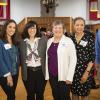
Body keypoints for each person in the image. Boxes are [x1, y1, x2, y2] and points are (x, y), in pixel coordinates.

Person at [45, 20, 77, 100]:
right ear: (52, 29)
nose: (57, 30)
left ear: (63, 30)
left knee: (65, 97)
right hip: (52, 75)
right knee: (56, 95)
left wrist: (70, 77)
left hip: (64, 75)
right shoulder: (49, 41)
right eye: (55, 27)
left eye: (60, 28)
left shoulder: (68, 41)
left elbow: (73, 60)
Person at [19, 20, 47, 100]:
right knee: (30, 95)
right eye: (30, 28)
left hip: (41, 72)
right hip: (28, 72)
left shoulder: (43, 40)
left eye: (34, 28)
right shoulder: (22, 42)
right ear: (26, 29)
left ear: (37, 29)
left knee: (40, 94)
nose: (32, 30)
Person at [71, 17, 95, 100]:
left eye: (82, 25)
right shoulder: (70, 39)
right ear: (73, 26)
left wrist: (86, 73)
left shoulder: (89, 39)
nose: (79, 27)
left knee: (84, 94)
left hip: (85, 71)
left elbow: (92, 57)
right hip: (72, 72)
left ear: (84, 26)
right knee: (74, 93)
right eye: (77, 25)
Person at [0, 19, 19, 100]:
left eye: (14, 28)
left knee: (11, 95)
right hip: (5, 74)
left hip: (15, 72)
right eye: (10, 27)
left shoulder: (15, 41)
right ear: (5, 28)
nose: (12, 29)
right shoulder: (1, 41)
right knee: (11, 96)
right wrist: (8, 75)